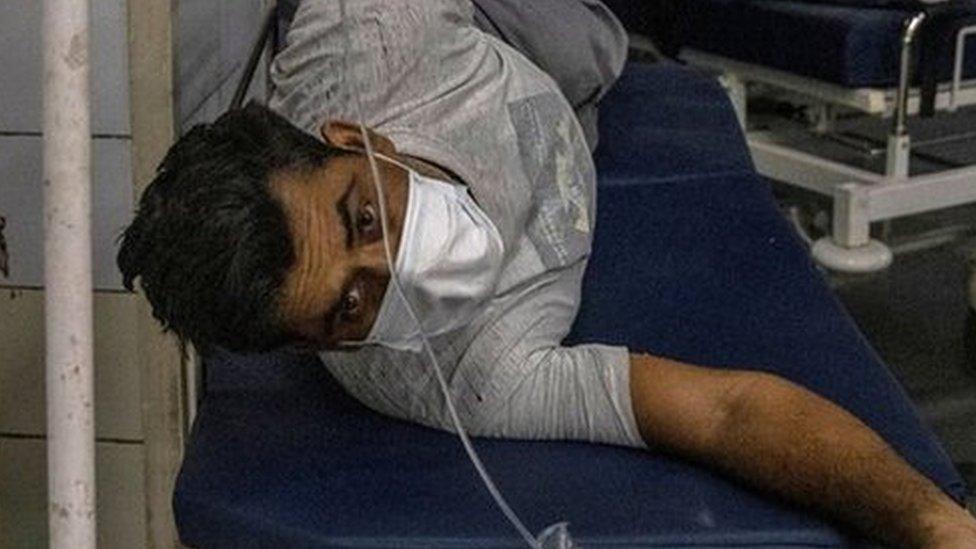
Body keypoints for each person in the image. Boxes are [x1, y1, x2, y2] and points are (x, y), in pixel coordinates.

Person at [117, 1, 976, 546]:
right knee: (600, 51)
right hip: (575, 97)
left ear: (359, 142)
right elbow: (722, 411)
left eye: (364, 218)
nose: (395, 266)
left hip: (498, 26)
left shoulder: (375, 35)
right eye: (350, 304)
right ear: (317, 346)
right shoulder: (464, 376)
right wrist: (929, 522)